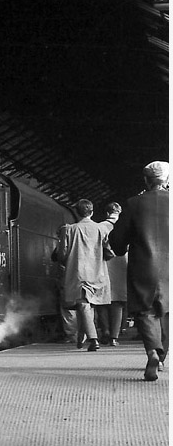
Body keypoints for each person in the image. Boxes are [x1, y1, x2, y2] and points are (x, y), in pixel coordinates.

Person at [108, 161, 169, 381]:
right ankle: (162, 357)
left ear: (146, 180)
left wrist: (122, 245)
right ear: (167, 180)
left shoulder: (134, 204)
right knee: (167, 312)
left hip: (143, 266)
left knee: (145, 312)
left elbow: (118, 242)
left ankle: (153, 351)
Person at [54, 199, 112, 351]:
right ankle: (82, 337)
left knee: (83, 305)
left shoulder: (69, 229)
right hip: (97, 273)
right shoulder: (101, 229)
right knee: (87, 306)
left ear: (77, 212)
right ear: (91, 212)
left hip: (77, 273)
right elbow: (109, 252)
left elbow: (62, 255)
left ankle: (93, 339)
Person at [98, 202, 127, 346]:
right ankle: (114, 337)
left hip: (103, 266)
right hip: (122, 267)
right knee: (118, 303)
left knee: (102, 303)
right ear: (119, 212)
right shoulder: (125, 226)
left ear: (106, 213)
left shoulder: (100, 227)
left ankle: (105, 332)